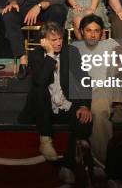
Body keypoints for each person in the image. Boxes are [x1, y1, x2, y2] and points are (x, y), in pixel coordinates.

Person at [17, 22, 92, 177]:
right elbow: (40, 82)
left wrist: (84, 105)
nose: (58, 42)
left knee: (84, 121)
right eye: (53, 40)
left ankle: (68, 166)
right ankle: (45, 139)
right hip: (43, 108)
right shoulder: (36, 54)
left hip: (65, 104)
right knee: (39, 90)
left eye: (60, 38)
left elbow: (84, 79)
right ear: (44, 41)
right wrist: (50, 55)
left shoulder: (71, 51)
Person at [72, 15, 122, 163]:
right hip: (85, 91)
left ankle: (104, 161)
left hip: (105, 87)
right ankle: (103, 161)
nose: (93, 34)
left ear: (102, 32)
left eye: (96, 31)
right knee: (93, 112)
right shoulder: (75, 47)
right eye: (88, 30)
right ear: (81, 31)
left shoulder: (109, 43)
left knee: (98, 112)